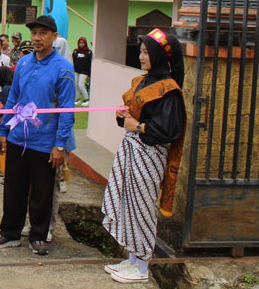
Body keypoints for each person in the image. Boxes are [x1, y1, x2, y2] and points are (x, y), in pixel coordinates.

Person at [102, 29, 186, 284]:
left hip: (149, 156)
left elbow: (169, 130)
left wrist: (137, 126)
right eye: (141, 51)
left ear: (161, 55)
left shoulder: (168, 90)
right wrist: (124, 117)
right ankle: (132, 259)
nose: (141, 56)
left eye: (147, 52)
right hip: (131, 150)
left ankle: (141, 267)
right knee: (128, 204)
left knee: (143, 208)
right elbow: (136, 115)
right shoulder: (142, 82)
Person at [0, 15, 74, 256]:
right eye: (34, 33)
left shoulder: (63, 68)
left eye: (43, 33)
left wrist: (60, 144)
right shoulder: (23, 64)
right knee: (13, 188)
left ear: (54, 37)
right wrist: (4, 131)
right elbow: (13, 99)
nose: (37, 38)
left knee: (42, 192)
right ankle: (10, 232)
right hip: (17, 138)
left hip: (45, 142)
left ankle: (38, 235)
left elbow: (67, 110)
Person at [73, 37, 92, 106]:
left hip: (84, 71)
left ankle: (87, 99)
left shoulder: (89, 52)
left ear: (85, 43)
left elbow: (89, 63)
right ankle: (78, 99)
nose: (81, 44)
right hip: (76, 71)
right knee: (76, 85)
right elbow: (74, 61)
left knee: (81, 85)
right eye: (80, 43)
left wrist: (89, 74)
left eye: (83, 43)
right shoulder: (75, 51)